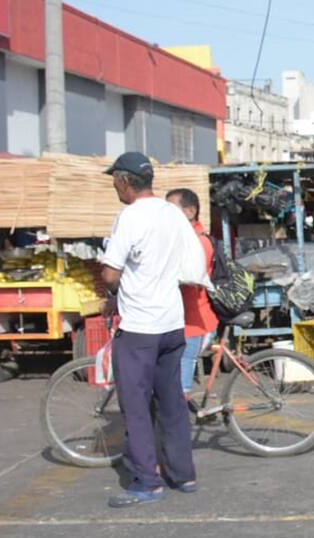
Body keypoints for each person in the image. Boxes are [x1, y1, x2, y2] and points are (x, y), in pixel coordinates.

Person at [99, 152, 197, 507]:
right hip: (171, 323)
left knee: (136, 406)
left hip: (140, 327)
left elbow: (110, 274)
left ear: (125, 180)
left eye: (115, 179)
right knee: (172, 402)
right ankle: (183, 475)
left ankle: (147, 481)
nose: (114, 185)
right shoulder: (172, 212)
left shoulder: (130, 216)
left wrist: (114, 292)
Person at [164, 188, 219, 396]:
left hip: (195, 321)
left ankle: (182, 410)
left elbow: (189, 278)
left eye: (172, 209)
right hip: (181, 318)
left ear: (190, 211)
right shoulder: (184, 239)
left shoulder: (199, 242)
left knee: (182, 382)